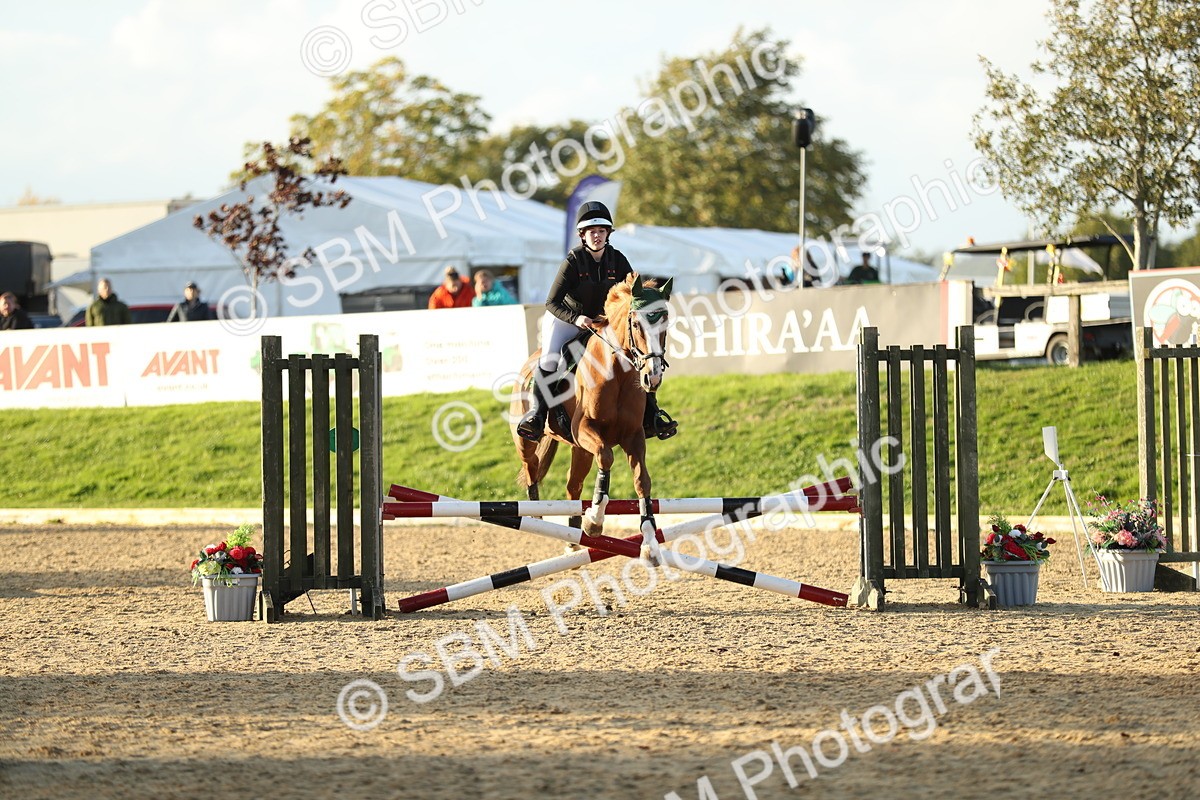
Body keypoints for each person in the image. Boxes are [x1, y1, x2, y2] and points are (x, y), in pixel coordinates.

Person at [516, 201, 678, 442]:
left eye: (602, 231)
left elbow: (635, 296)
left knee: (637, 357)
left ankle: (652, 415)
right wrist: (577, 318)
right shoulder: (572, 261)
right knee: (551, 359)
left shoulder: (618, 260)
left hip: (604, 323)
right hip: (568, 318)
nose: (597, 236)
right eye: (592, 232)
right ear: (583, 235)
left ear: (607, 234)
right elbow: (552, 302)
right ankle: (537, 416)